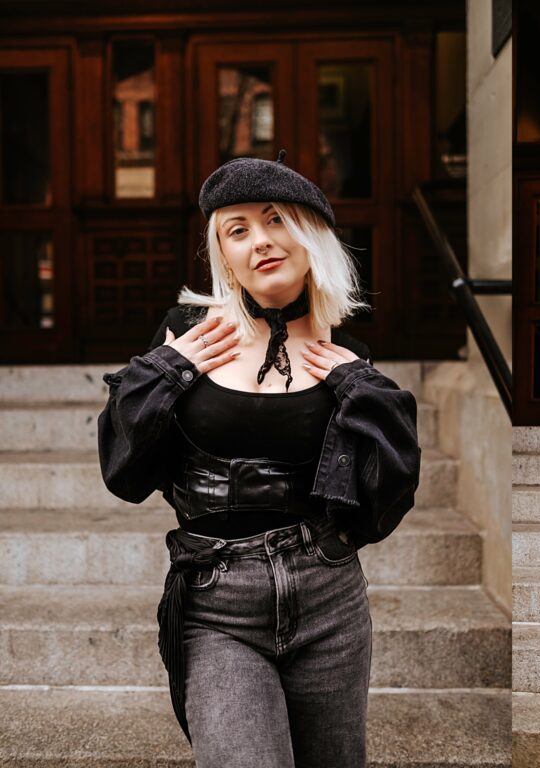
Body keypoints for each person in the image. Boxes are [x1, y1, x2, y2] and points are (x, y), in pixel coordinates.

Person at [97, 150, 421, 768]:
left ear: (311, 236)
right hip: (217, 602)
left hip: (329, 596)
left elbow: (386, 501)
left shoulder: (346, 354)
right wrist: (166, 373)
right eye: (237, 230)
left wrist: (366, 393)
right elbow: (125, 472)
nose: (261, 242)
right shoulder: (189, 335)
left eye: (276, 220)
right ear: (223, 256)